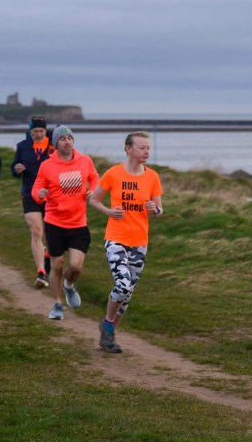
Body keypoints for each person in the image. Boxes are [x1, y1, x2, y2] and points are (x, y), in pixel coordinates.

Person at [89, 132, 164, 354]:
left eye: (148, 148)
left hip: (140, 242)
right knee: (123, 285)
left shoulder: (153, 177)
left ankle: (108, 335)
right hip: (116, 239)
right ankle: (108, 324)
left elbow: (159, 210)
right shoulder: (113, 174)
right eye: (142, 148)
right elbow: (94, 199)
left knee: (128, 293)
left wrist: (155, 209)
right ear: (128, 149)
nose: (147, 151)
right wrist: (110, 211)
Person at [32, 125, 99, 321]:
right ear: (55, 143)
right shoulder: (47, 166)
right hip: (55, 222)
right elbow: (37, 188)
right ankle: (57, 304)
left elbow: (94, 177)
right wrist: (40, 194)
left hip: (78, 223)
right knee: (57, 265)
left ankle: (68, 286)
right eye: (62, 139)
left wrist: (93, 190)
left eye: (70, 138)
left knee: (76, 266)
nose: (67, 141)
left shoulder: (85, 161)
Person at [11, 116, 54, 288]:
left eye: (41, 131)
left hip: (51, 195)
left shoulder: (54, 145)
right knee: (37, 231)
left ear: (46, 131)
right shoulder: (22, 146)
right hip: (29, 193)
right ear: (30, 131)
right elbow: (15, 167)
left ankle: (48, 257)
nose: (38, 134)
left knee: (50, 235)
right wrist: (17, 169)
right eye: (35, 131)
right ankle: (41, 272)